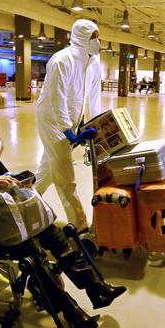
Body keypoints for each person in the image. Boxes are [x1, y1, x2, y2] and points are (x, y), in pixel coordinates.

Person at [0, 105, 126, 328]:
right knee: (31, 252)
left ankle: (96, 288)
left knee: (52, 232)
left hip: (1, 215)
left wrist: (19, 181)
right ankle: (71, 312)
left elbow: (4, 176)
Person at [34, 19, 102, 233]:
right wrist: (67, 130)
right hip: (52, 121)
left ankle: (28, 200)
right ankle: (80, 224)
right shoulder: (61, 61)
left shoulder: (93, 62)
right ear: (82, 37)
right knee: (65, 173)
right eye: (93, 37)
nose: (97, 42)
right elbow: (57, 99)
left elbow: (93, 95)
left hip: (71, 121)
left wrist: (95, 122)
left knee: (48, 168)